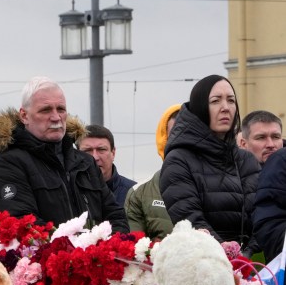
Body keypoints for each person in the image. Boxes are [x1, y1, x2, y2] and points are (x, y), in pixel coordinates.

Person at [0, 77, 128, 232]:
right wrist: (77, 247)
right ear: (24, 116)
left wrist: (107, 248)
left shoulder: (85, 162)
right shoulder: (9, 164)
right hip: (47, 255)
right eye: (45, 110)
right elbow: (21, 224)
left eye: (61, 109)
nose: (56, 117)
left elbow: (115, 216)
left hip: (97, 255)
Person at [160, 74, 259, 249]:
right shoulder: (178, 160)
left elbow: (261, 216)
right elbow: (190, 220)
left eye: (231, 100)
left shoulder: (246, 159)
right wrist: (226, 254)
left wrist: (248, 256)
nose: (225, 108)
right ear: (200, 107)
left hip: (251, 266)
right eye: (215, 101)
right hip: (205, 263)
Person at [125, 105, 180, 241]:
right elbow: (137, 252)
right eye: (175, 134)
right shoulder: (139, 193)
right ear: (164, 140)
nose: (183, 140)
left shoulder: (219, 189)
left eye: (190, 134)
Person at [78, 124, 136, 207]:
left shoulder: (135, 193)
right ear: (76, 155)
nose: (95, 157)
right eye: (87, 150)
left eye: (101, 149)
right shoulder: (68, 193)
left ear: (113, 153)